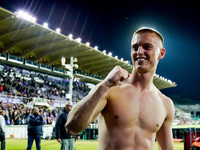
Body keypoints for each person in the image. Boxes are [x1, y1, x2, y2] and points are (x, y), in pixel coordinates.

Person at [65, 27, 175, 150]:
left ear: (161, 53)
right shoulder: (111, 89)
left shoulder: (165, 104)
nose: (139, 52)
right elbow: (71, 128)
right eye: (135, 47)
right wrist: (105, 84)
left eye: (147, 47)